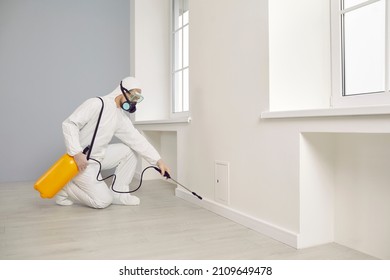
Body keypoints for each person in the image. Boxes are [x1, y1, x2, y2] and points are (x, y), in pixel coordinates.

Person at [55, 77, 170, 209]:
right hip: (81, 163)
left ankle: (119, 194)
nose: (134, 102)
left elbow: (137, 140)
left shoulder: (120, 117)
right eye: (134, 97)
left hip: (98, 158)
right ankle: (64, 188)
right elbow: (70, 124)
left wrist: (158, 160)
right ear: (123, 91)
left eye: (137, 99)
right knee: (102, 202)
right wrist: (76, 153)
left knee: (130, 151)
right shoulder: (96, 104)